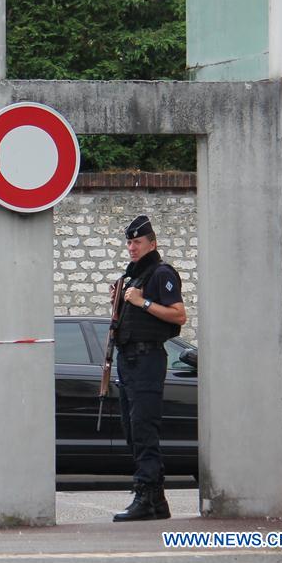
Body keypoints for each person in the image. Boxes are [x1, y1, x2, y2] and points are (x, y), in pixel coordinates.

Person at [112, 215, 187, 522]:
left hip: (147, 360)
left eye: (137, 242)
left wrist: (141, 302)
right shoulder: (135, 277)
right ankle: (156, 501)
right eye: (129, 242)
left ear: (152, 243)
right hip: (129, 360)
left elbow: (179, 315)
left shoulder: (160, 273)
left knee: (144, 429)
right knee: (133, 431)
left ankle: (146, 496)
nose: (132, 247)